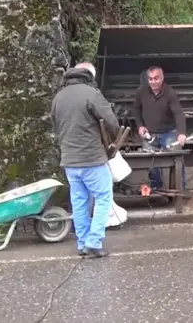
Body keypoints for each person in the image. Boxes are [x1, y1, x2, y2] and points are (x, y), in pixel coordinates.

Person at [51, 62, 120, 257]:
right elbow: (111, 122)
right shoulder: (91, 94)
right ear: (89, 76)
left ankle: (82, 243)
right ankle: (94, 241)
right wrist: (114, 140)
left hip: (69, 160)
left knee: (79, 201)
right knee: (103, 197)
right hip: (91, 158)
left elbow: (55, 125)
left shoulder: (58, 97)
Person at [132, 66, 187, 190]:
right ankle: (158, 191)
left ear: (162, 78)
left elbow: (178, 113)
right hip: (150, 134)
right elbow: (136, 109)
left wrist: (181, 133)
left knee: (176, 160)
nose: (153, 82)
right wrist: (140, 126)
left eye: (156, 78)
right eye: (150, 79)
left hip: (169, 132)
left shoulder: (170, 93)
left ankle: (180, 189)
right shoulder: (141, 91)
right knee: (151, 164)